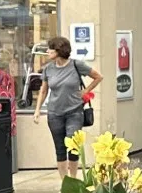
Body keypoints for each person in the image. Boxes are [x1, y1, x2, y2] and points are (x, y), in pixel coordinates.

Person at [33, 36, 102, 179]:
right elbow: (44, 90)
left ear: (59, 50)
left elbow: (98, 77)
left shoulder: (76, 65)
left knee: (73, 146)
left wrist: (86, 91)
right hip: (54, 113)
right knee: (60, 148)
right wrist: (37, 110)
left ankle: (74, 179)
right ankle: (65, 183)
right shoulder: (48, 69)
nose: (47, 51)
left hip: (74, 112)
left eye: (50, 48)